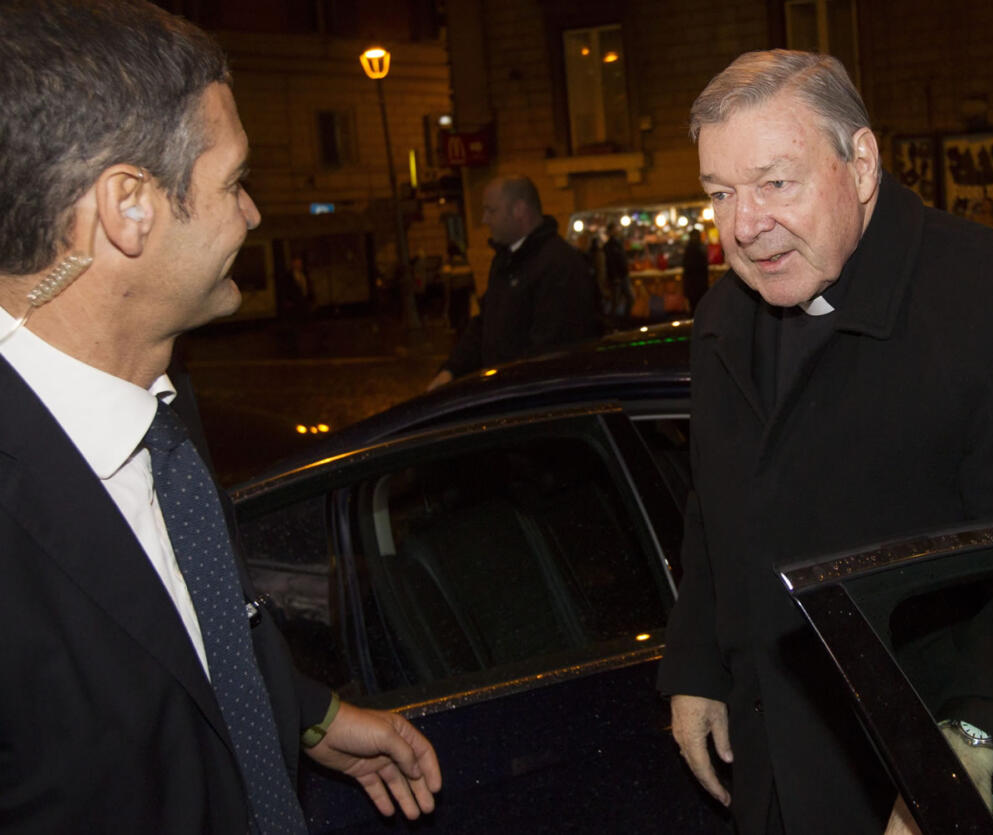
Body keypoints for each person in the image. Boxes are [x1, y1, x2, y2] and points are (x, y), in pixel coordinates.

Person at [0, 2, 441, 832]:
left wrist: (303, 712)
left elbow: (173, 633)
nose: (252, 214)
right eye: (234, 181)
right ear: (127, 204)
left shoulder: (160, 402)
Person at [658, 50, 993, 835]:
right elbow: (719, 509)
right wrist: (697, 664)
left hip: (915, 785)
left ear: (861, 162)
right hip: (773, 780)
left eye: (775, 184)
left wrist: (971, 748)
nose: (743, 226)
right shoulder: (722, 320)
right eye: (720, 194)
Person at [428, 176, 598, 390]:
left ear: (519, 210)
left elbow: (551, 352)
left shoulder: (558, 265)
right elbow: (486, 324)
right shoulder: (506, 260)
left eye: (492, 211)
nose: (484, 219)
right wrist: (451, 370)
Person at [604, 221, 635, 318]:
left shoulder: (616, 244)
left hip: (621, 275)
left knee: (625, 298)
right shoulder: (610, 246)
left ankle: (622, 319)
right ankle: (616, 320)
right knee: (617, 300)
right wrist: (614, 276)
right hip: (618, 276)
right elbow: (611, 262)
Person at [682, 227, 710, 313]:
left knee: (694, 308)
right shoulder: (700, 249)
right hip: (701, 284)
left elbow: (686, 268)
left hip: (692, 285)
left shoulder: (688, 249)